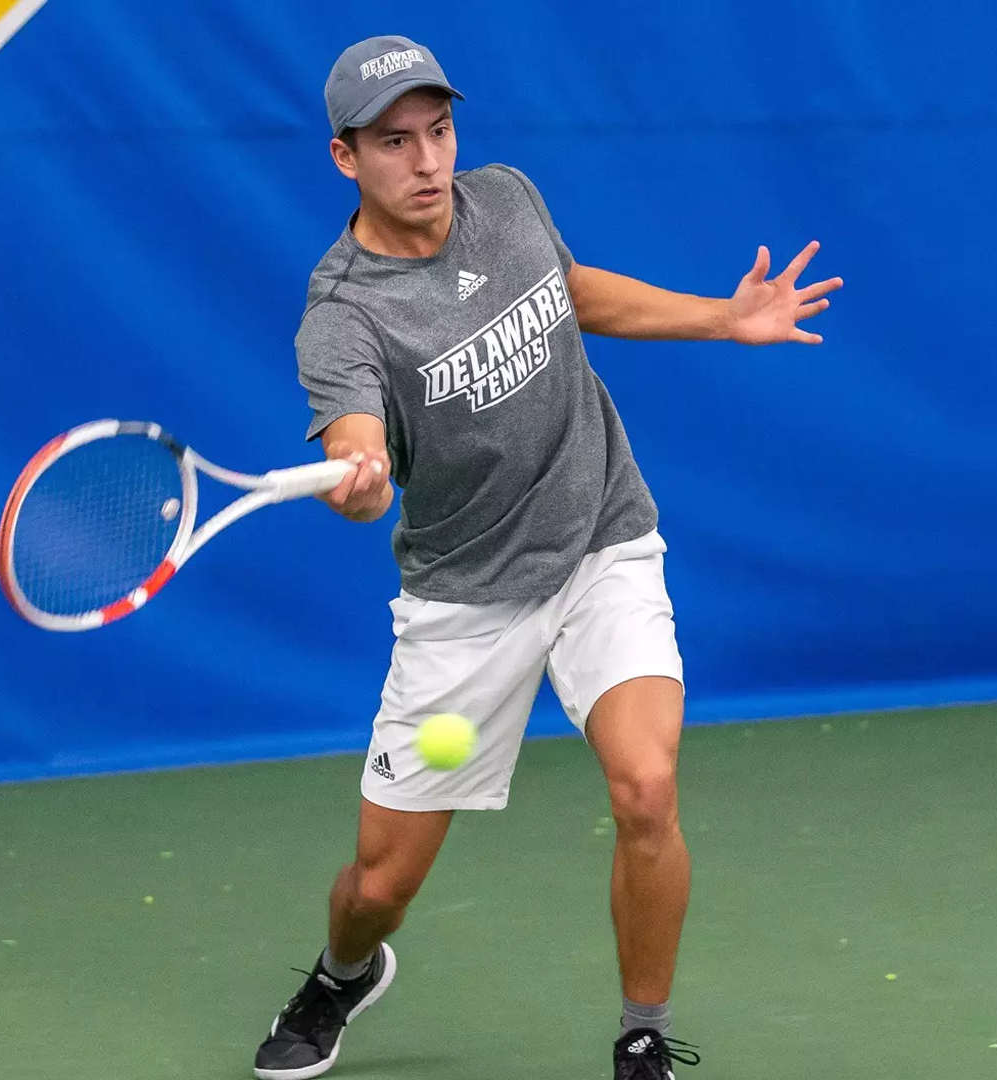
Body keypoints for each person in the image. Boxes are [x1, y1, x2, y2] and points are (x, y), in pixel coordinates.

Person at [253, 34, 842, 1080]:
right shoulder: (341, 316)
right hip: (465, 601)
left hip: (600, 539)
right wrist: (366, 476)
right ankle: (343, 974)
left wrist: (723, 318)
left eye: (439, 131)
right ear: (346, 158)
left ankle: (643, 1034)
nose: (429, 161)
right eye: (396, 143)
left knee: (647, 788)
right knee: (380, 887)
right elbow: (357, 450)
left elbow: (570, 292)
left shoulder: (506, 198)